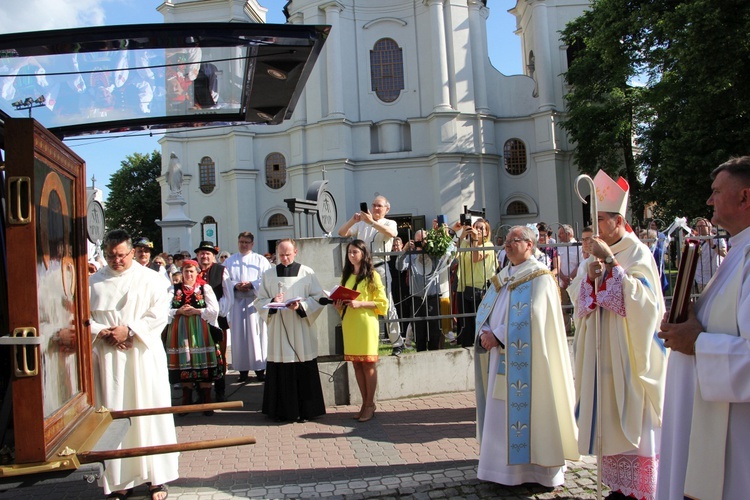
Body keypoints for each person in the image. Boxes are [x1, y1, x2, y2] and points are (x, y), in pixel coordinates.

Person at [657, 156, 750, 500]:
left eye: (716, 192)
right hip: (703, 420)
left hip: (735, 439)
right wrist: (687, 315)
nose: (709, 201)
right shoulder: (739, 251)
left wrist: (696, 343)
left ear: (745, 198)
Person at [572, 170, 666, 500]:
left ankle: (640, 488)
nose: (596, 227)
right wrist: (589, 280)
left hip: (628, 351)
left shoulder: (636, 252)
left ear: (618, 219)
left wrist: (611, 264)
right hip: (603, 352)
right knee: (608, 412)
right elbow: (577, 300)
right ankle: (616, 484)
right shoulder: (593, 253)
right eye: (593, 219)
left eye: (601, 219)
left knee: (632, 415)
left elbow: (648, 304)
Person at [474, 225, 579, 486]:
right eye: (506, 241)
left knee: (533, 412)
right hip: (500, 356)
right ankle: (499, 470)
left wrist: (498, 336)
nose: (507, 245)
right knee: (501, 414)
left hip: (531, 365)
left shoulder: (540, 277)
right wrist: (486, 330)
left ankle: (536, 471)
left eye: (514, 241)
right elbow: (489, 308)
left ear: (530, 245)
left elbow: (534, 317)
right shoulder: (504, 275)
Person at [89, 229, 177, 500]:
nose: (116, 261)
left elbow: (159, 313)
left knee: (149, 412)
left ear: (131, 253)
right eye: (111, 256)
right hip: (108, 358)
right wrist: (104, 331)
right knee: (115, 414)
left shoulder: (150, 279)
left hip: (142, 355)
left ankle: (156, 479)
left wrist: (130, 331)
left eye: (121, 255)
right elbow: (80, 318)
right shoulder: (92, 283)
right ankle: (118, 482)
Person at [254, 239, 327, 423]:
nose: (285, 258)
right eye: (281, 255)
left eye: (288, 254)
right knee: (281, 366)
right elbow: (259, 301)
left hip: (300, 326)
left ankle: (306, 410)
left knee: (302, 364)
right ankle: (281, 411)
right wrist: (272, 300)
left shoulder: (306, 272)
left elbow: (319, 298)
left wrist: (301, 306)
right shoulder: (269, 274)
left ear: (295, 252)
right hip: (279, 328)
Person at [337, 196, 405, 356]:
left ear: (386, 209)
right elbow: (342, 232)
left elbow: (392, 233)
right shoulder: (361, 223)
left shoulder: (389, 222)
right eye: (373, 205)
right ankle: (367, 340)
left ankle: (397, 342)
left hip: (379, 266)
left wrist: (371, 223)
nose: (375, 208)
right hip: (361, 269)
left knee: (386, 303)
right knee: (360, 302)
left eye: (379, 206)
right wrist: (353, 221)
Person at [333, 240, 388, 422]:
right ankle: (364, 402)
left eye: (355, 252)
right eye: (349, 252)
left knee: (368, 364)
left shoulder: (373, 276)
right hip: (350, 323)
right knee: (356, 364)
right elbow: (343, 303)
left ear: (363, 254)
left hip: (365, 323)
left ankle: (370, 403)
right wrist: (338, 305)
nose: (351, 255)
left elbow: (382, 303)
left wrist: (360, 303)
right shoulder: (347, 276)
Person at [165, 259, 221, 416]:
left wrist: (197, 311)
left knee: (203, 363)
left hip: (200, 330)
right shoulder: (173, 289)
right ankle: (186, 401)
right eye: (185, 271)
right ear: (181, 273)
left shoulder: (205, 288)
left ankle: (206, 401)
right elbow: (163, 309)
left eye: (191, 271)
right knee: (185, 363)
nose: (188, 274)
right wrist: (178, 312)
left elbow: (214, 309)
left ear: (197, 272)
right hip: (180, 331)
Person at [224, 231, 272, 382]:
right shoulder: (230, 261)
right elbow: (225, 281)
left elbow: (266, 279)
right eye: (241, 242)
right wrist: (235, 285)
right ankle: (242, 371)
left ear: (252, 244)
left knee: (257, 336)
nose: (243, 245)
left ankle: (260, 369)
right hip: (237, 303)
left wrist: (252, 284)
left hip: (254, 303)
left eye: (246, 242)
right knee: (239, 338)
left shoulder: (260, 260)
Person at [195, 241, 233, 403]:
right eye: (202, 253)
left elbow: (228, 294)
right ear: (197, 255)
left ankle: (219, 391)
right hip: (196, 320)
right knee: (197, 356)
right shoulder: (192, 270)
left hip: (218, 319)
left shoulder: (221, 270)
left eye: (208, 253)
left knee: (219, 356)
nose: (204, 256)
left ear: (213, 256)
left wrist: (218, 312)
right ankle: (201, 393)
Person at [453, 218, 496, 347]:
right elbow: (453, 254)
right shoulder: (466, 244)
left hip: (480, 288)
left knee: (479, 321)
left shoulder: (489, 245)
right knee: (466, 324)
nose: (477, 230)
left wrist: (475, 240)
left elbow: (476, 258)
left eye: (481, 228)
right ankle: (466, 347)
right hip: (463, 287)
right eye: (475, 227)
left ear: (487, 233)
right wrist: (462, 234)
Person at [397, 230, 443, 351]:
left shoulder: (434, 253)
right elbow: (399, 266)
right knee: (419, 331)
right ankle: (421, 352)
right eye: (418, 240)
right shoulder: (411, 255)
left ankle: (435, 353)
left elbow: (449, 260)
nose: (420, 243)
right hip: (417, 299)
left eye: (423, 240)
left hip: (432, 297)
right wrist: (404, 251)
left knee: (434, 330)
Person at [692, 217, 727, 293]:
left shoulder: (718, 239)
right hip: (700, 277)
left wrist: (712, 245)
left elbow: (724, 253)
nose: (700, 228)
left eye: (702, 226)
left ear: (709, 227)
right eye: (698, 226)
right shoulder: (694, 240)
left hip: (716, 275)